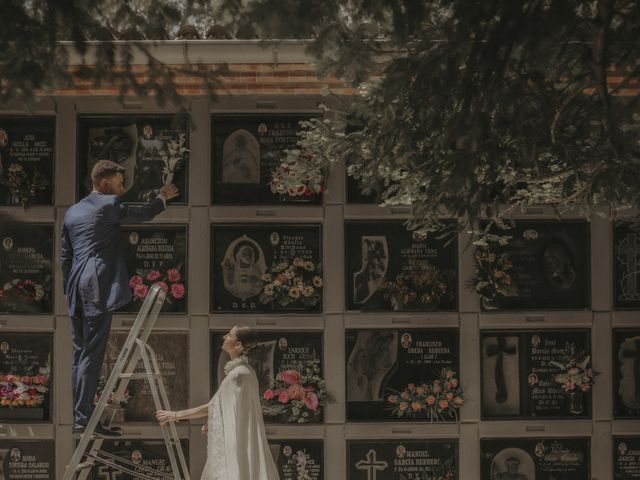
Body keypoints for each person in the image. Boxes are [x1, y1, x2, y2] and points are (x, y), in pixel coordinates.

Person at [61, 159, 178, 436]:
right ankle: (84, 420)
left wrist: (70, 289)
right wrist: (163, 196)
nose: (122, 186)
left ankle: (81, 418)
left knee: (80, 354)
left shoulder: (72, 212)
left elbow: (65, 257)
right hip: (95, 286)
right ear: (103, 182)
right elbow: (141, 214)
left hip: (76, 287)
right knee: (92, 352)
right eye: (118, 181)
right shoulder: (107, 205)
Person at [156, 325, 279, 480]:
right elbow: (235, 411)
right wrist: (218, 421)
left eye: (229, 335)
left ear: (238, 345)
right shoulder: (247, 372)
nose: (224, 337)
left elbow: (212, 407)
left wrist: (174, 415)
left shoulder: (237, 375)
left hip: (235, 448)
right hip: (242, 446)